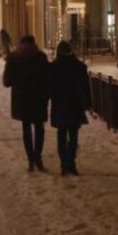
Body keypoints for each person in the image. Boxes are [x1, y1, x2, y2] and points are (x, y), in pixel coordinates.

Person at [3, 34, 50, 172]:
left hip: (21, 99)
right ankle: (38, 157)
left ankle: (30, 160)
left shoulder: (14, 57)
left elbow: (7, 81)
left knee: (26, 129)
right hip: (39, 98)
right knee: (39, 128)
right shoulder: (41, 57)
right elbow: (47, 78)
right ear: (34, 43)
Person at [49, 40, 92, 176]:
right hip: (75, 105)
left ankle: (63, 163)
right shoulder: (79, 67)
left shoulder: (54, 67)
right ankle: (71, 163)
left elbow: (48, 87)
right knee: (73, 136)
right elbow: (86, 87)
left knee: (61, 134)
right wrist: (88, 103)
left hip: (60, 105)